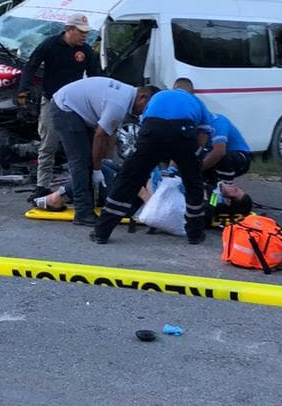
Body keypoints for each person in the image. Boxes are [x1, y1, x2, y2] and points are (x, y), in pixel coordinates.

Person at [91, 86, 218, 245]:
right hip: (184, 130)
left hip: (152, 129)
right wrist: (194, 160)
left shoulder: (158, 97)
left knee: (128, 180)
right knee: (193, 183)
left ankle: (101, 232)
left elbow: (146, 127)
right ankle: (195, 234)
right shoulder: (196, 101)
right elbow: (203, 134)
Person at [50, 77, 157, 225]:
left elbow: (110, 132)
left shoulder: (126, 97)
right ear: (142, 97)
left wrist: (104, 161)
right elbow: (100, 136)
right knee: (80, 162)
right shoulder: (120, 104)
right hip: (66, 108)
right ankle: (82, 212)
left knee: (89, 161)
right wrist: (97, 169)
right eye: (145, 108)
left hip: (76, 108)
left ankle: (74, 201)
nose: (141, 114)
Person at [18, 14, 102, 198]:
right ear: (69, 29)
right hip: (51, 100)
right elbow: (31, 65)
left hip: (76, 105)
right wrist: (23, 92)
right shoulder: (50, 45)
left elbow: (96, 77)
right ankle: (42, 186)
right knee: (48, 144)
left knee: (79, 147)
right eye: (81, 32)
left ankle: (80, 186)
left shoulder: (86, 51)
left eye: (86, 33)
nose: (84, 36)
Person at [172, 79, 251, 187]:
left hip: (238, 157)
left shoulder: (217, 121)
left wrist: (194, 171)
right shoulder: (188, 123)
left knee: (220, 158)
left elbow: (219, 152)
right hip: (212, 154)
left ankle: (226, 190)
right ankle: (207, 192)